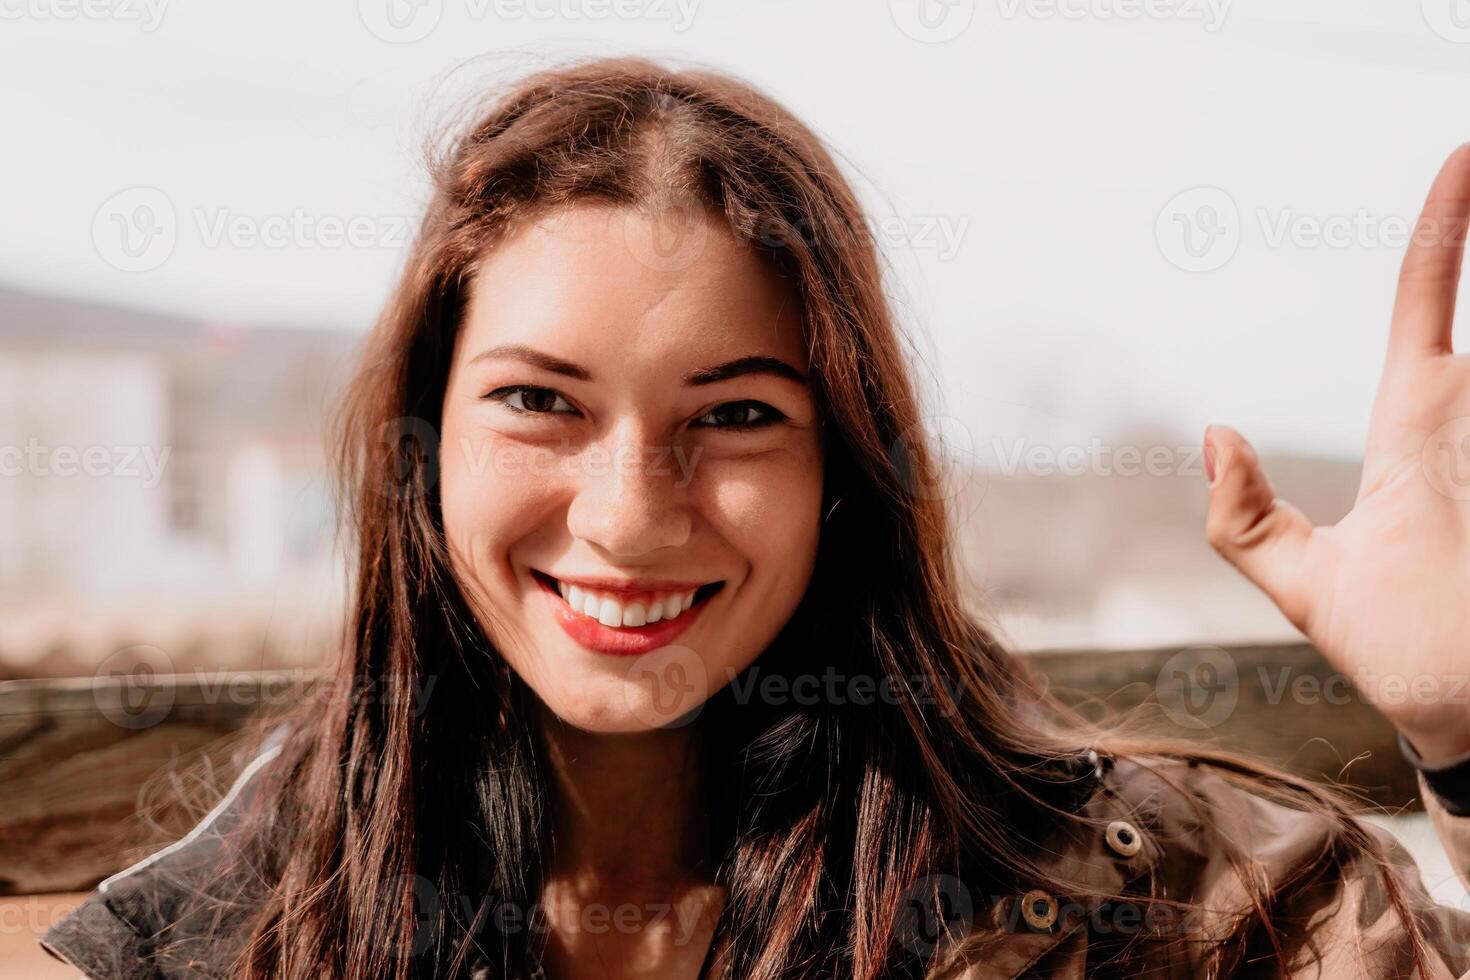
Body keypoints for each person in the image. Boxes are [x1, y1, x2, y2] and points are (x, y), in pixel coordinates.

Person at [39, 55, 1470, 979]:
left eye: (732, 417)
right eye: (540, 403)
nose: (625, 516)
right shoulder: (245, 927)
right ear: (421, 448)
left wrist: (1460, 731)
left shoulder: (1145, 908)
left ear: (839, 467)